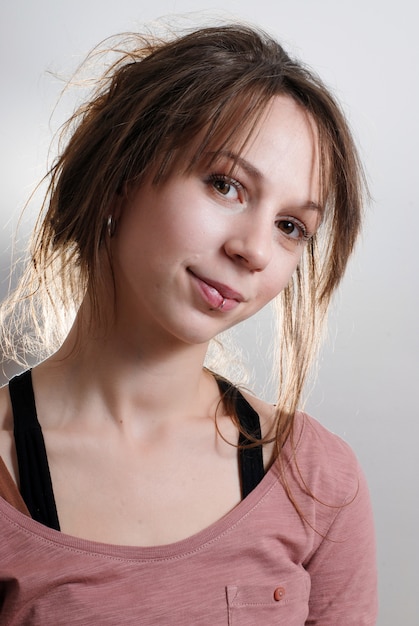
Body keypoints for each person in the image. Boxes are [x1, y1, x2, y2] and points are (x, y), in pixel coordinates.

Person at [0, 23, 377, 624]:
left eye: (290, 226)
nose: (254, 249)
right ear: (123, 174)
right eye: (225, 185)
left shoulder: (317, 481)